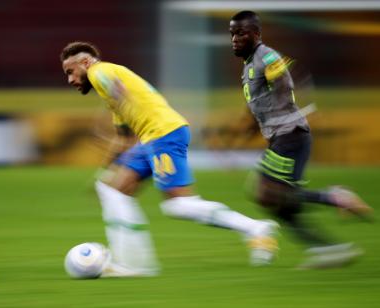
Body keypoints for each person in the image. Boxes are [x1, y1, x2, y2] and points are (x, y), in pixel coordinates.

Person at [60, 41, 279, 276]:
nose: (70, 80)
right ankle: (131, 263)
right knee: (111, 189)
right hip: (151, 138)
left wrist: (113, 105)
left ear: (85, 62)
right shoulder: (112, 92)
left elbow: (116, 89)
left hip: (163, 134)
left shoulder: (99, 71)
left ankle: (255, 229)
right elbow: (125, 139)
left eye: (70, 72)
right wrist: (106, 169)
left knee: (178, 205)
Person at [228, 10, 373, 268]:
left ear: (256, 34)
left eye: (241, 33)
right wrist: (244, 133)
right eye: (232, 34)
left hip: (291, 135)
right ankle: (328, 249)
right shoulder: (248, 65)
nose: (235, 39)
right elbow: (258, 106)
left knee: (268, 194)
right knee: (278, 204)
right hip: (281, 137)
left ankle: (337, 197)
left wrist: (285, 109)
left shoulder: (266, 55)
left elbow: (284, 80)